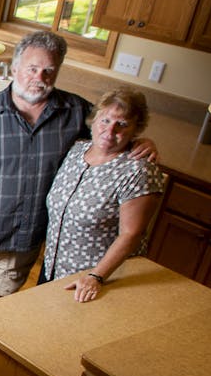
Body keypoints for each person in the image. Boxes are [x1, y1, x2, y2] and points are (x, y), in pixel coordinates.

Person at [0, 30, 155, 375]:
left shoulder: (75, 112)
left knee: (4, 296)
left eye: (48, 70)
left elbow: (109, 131)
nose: (40, 78)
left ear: (58, 71)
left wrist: (145, 142)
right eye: (32, 68)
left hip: (27, 234)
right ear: (15, 68)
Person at [43, 88, 165, 303]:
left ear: (136, 129)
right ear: (94, 119)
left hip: (98, 282)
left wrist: (96, 277)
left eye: (123, 124)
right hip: (55, 269)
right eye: (105, 120)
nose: (110, 131)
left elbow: (131, 234)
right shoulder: (76, 151)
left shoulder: (139, 171)